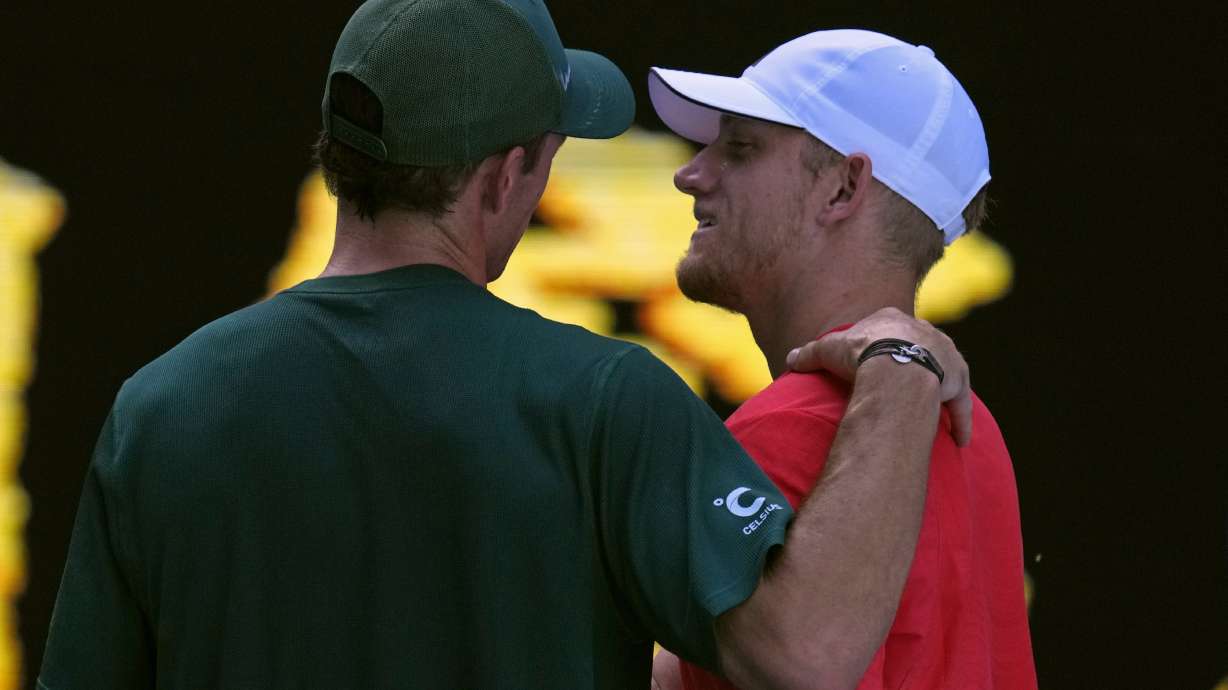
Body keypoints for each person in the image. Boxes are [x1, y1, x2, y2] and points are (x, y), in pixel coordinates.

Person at [38, 4, 973, 689]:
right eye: (551, 153)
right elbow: (807, 656)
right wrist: (900, 365)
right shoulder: (605, 399)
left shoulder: (159, 407)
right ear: (503, 176)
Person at [646, 29, 1037, 689]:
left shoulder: (789, 425)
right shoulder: (973, 428)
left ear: (843, 188)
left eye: (739, 147)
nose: (691, 173)